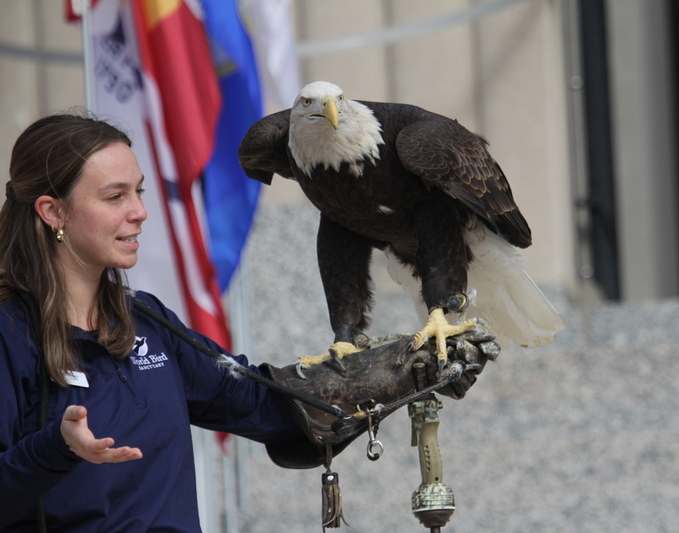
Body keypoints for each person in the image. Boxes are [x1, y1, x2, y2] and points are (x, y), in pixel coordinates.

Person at [0, 112, 491, 532]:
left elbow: (262, 404)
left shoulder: (146, 321)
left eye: (139, 192)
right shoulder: (9, 334)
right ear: (53, 211)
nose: (141, 212)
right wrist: (55, 448)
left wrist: (398, 372)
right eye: (115, 197)